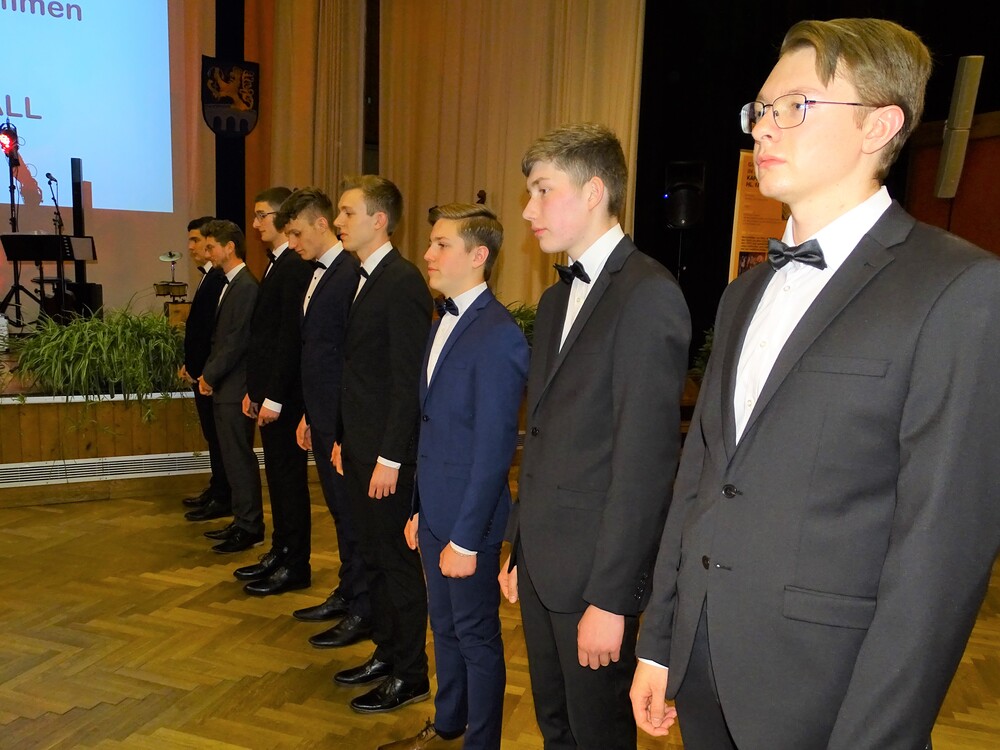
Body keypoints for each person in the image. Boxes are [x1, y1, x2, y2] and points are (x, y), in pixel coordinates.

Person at [630, 18, 1000, 750]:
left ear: (879, 126)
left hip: (828, 694)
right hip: (703, 668)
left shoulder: (958, 288)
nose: (763, 127)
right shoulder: (743, 293)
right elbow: (702, 479)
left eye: (794, 106)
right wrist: (660, 641)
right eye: (760, 110)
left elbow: (939, 557)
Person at [499, 123, 691, 749]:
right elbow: (545, 436)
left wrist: (612, 600)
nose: (527, 210)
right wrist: (519, 547)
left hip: (593, 582)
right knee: (555, 727)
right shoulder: (556, 300)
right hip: (543, 567)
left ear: (593, 191)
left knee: (598, 736)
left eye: (542, 190)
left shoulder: (648, 295)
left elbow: (645, 466)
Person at [379, 204, 528, 750]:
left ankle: (480, 743)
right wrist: (419, 509)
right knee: (443, 628)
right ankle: (448, 725)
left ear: (478, 255)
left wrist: (465, 539)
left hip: (470, 523)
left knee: (477, 637)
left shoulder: (499, 335)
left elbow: (493, 450)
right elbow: (433, 428)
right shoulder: (442, 319)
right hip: (435, 512)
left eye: (441, 244)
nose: (427, 254)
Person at [330, 174, 433, 714]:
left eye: (347, 212)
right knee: (371, 556)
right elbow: (358, 372)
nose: (338, 222)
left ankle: (410, 673)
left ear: (379, 220)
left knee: (395, 564)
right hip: (361, 448)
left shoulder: (404, 282)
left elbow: (405, 380)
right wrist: (344, 438)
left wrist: (390, 457)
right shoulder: (362, 275)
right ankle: (387, 653)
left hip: (388, 458)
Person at [277, 187, 371, 641]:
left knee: (352, 516)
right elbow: (315, 352)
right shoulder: (319, 272)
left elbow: (350, 359)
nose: (292, 243)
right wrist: (309, 415)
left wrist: (337, 426)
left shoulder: (349, 274)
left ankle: (363, 606)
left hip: (340, 420)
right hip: (321, 414)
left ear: (320, 223)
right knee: (338, 512)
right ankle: (348, 591)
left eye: (297, 233)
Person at [228, 187, 315, 593]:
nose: (255, 223)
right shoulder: (278, 263)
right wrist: (255, 389)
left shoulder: (295, 266)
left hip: (287, 398)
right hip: (271, 393)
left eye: (262, 215)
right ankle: (280, 551)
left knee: (288, 481)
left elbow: (289, 339)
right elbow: (264, 338)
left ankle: (294, 563)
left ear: (283, 217)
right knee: (278, 481)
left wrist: (273, 396)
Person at [197, 220, 263, 554]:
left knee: (239, 459)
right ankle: (241, 521)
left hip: (235, 387)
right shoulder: (232, 283)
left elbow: (237, 341)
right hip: (227, 387)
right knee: (231, 459)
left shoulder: (246, 286)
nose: (207, 253)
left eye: (211, 247)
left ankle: (250, 526)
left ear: (230, 247)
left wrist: (209, 375)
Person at [178, 215, 233, 524]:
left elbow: (214, 333)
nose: (191, 247)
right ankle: (216, 489)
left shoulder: (218, 279)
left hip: (210, 376)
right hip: (201, 373)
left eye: (196, 240)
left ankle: (223, 496)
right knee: (213, 437)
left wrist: (202, 370)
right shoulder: (208, 277)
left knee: (219, 439)